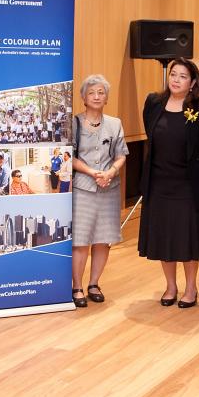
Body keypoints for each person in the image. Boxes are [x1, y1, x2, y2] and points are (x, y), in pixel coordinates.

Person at [139, 58, 199, 308]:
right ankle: (171, 286)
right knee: (165, 237)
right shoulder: (154, 102)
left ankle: (191, 287)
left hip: (189, 183)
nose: (176, 79)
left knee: (188, 237)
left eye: (183, 76)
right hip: (159, 182)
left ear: (193, 82)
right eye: (173, 74)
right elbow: (151, 135)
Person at [72, 74, 129, 307]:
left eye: (101, 92)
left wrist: (110, 172)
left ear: (106, 97)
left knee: (103, 240)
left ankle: (94, 283)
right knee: (81, 240)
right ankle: (77, 286)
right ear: (84, 97)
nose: (96, 96)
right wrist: (92, 172)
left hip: (109, 188)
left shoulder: (114, 123)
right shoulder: (73, 123)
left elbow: (121, 154)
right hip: (83, 188)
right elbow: (70, 157)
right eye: (92, 92)